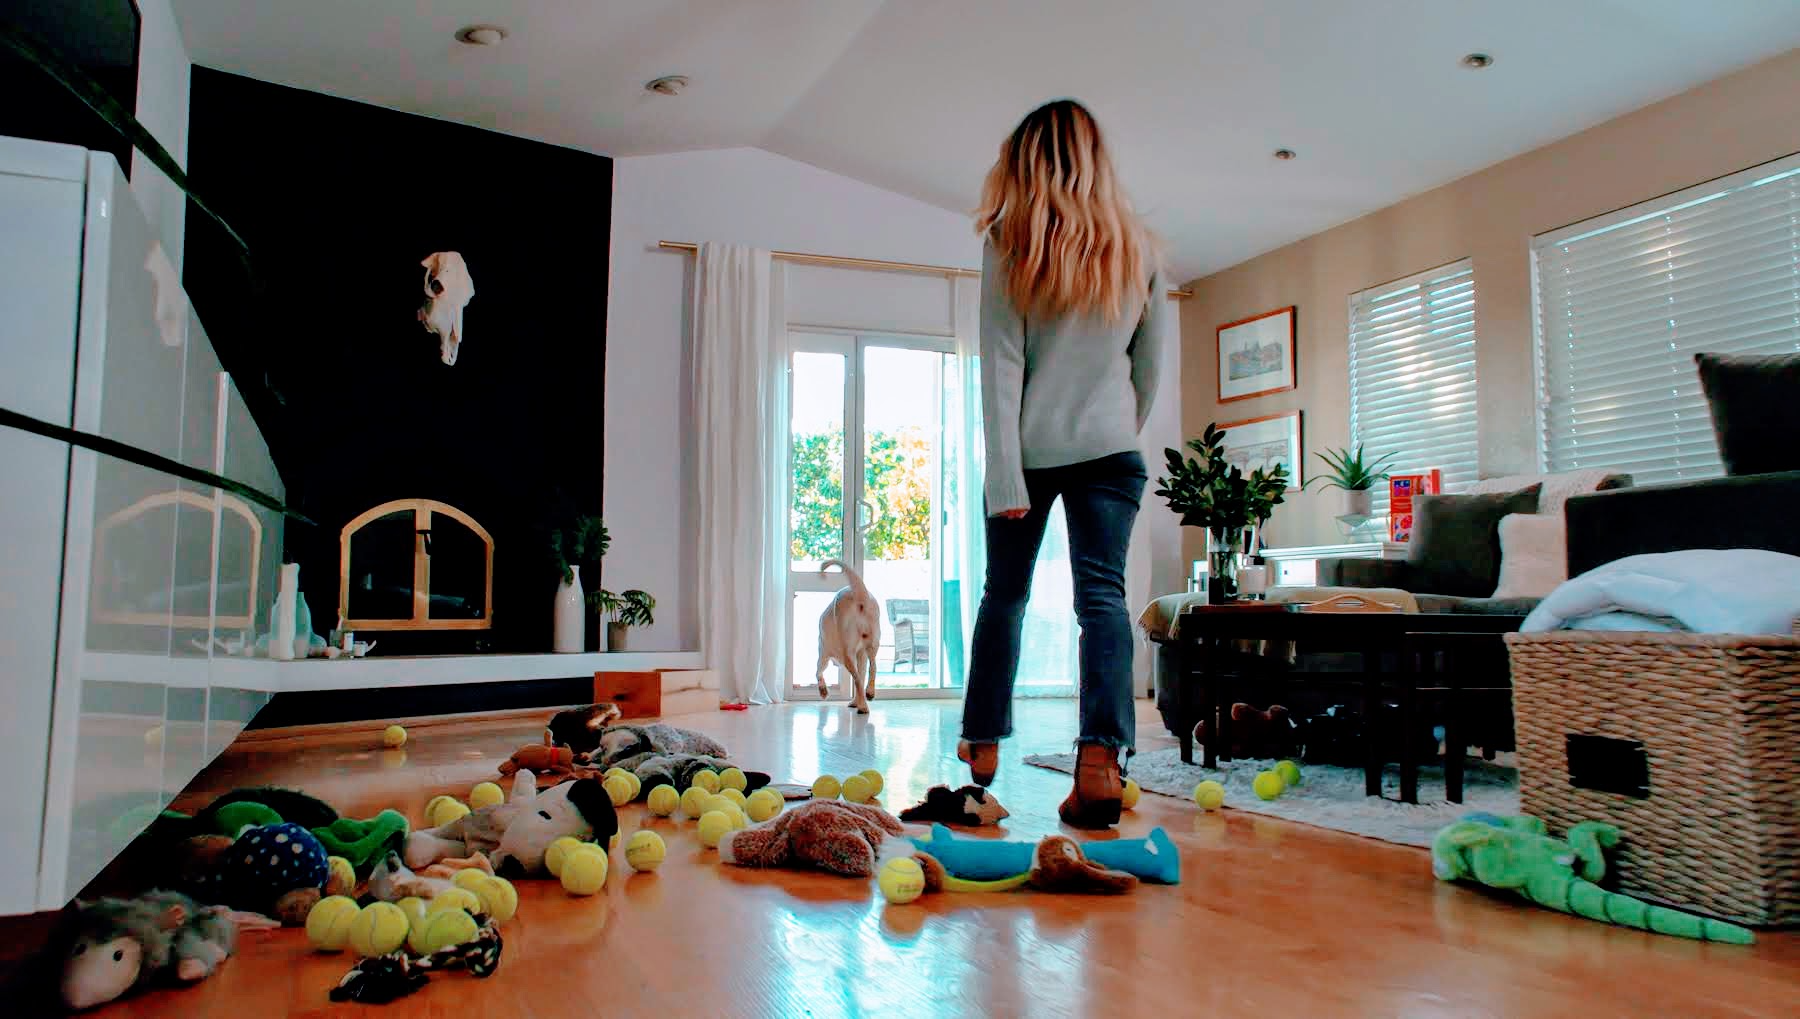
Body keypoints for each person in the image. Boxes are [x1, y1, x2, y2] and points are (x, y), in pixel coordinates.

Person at [958, 99, 1168, 829]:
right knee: (1102, 602)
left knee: (1004, 595)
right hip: (1113, 451)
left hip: (1033, 453)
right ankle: (1101, 761)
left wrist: (1008, 471)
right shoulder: (1138, 245)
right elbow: (1150, 366)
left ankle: (980, 752)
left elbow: (1002, 364)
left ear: (1025, 160)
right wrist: (1112, 430)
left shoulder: (1006, 242)